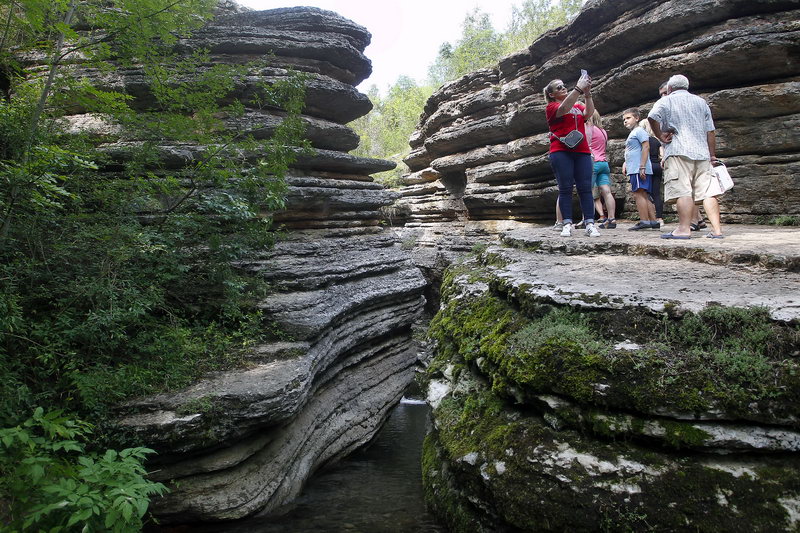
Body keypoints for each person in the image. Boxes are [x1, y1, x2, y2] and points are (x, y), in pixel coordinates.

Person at [648, 74, 723, 239]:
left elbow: (651, 117)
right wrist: (712, 155)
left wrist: (660, 136)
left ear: (669, 89)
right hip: (702, 152)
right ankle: (717, 231)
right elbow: (710, 130)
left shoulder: (666, 100)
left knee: (684, 191)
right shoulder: (701, 102)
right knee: (709, 192)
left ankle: (683, 229)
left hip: (678, 151)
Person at [543, 74, 599, 237]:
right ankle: (566, 223)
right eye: (558, 87)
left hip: (581, 151)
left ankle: (590, 223)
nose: (563, 88)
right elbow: (563, 109)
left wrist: (587, 93)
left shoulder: (577, 106)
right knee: (565, 187)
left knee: (585, 188)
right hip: (561, 151)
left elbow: (589, 113)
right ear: (552, 94)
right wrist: (577, 89)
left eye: (563, 85)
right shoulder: (552, 107)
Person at [622, 108, 658, 230]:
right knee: (644, 194)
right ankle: (653, 221)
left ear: (637, 118)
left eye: (628, 118)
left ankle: (644, 221)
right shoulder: (634, 132)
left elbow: (646, 146)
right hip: (635, 167)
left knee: (638, 193)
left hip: (638, 168)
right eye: (624, 119)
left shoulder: (639, 131)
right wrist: (625, 163)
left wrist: (642, 166)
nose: (625, 121)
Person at [587, 110, 616, 228]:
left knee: (587, 192)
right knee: (607, 192)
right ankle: (611, 219)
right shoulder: (603, 131)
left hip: (593, 163)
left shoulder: (589, 129)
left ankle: (586, 219)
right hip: (604, 163)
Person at [640, 118, 664, 224]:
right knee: (656, 193)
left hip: (647, 167)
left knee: (645, 193)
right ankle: (659, 218)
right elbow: (662, 155)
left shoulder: (643, 140)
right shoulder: (657, 140)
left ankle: (650, 217)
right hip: (657, 166)